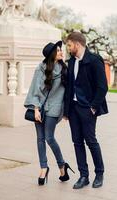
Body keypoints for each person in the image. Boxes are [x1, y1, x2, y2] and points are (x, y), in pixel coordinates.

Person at [24, 41, 74, 186]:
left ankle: (61, 165)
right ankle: (43, 168)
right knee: (40, 138)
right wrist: (36, 109)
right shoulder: (41, 68)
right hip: (39, 108)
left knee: (49, 137)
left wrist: (67, 111)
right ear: (52, 54)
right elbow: (35, 89)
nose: (61, 52)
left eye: (61, 50)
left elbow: (68, 92)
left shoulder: (65, 69)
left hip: (55, 108)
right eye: (58, 50)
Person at [64, 32, 108, 189]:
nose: (68, 48)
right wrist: (66, 111)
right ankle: (84, 176)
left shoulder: (94, 60)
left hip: (88, 108)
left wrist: (93, 107)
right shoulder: (71, 62)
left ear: (77, 44)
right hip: (73, 108)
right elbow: (69, 87)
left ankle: (99, 173)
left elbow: (102, 87)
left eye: (69, 45)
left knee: (91, 141)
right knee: (77, 142)